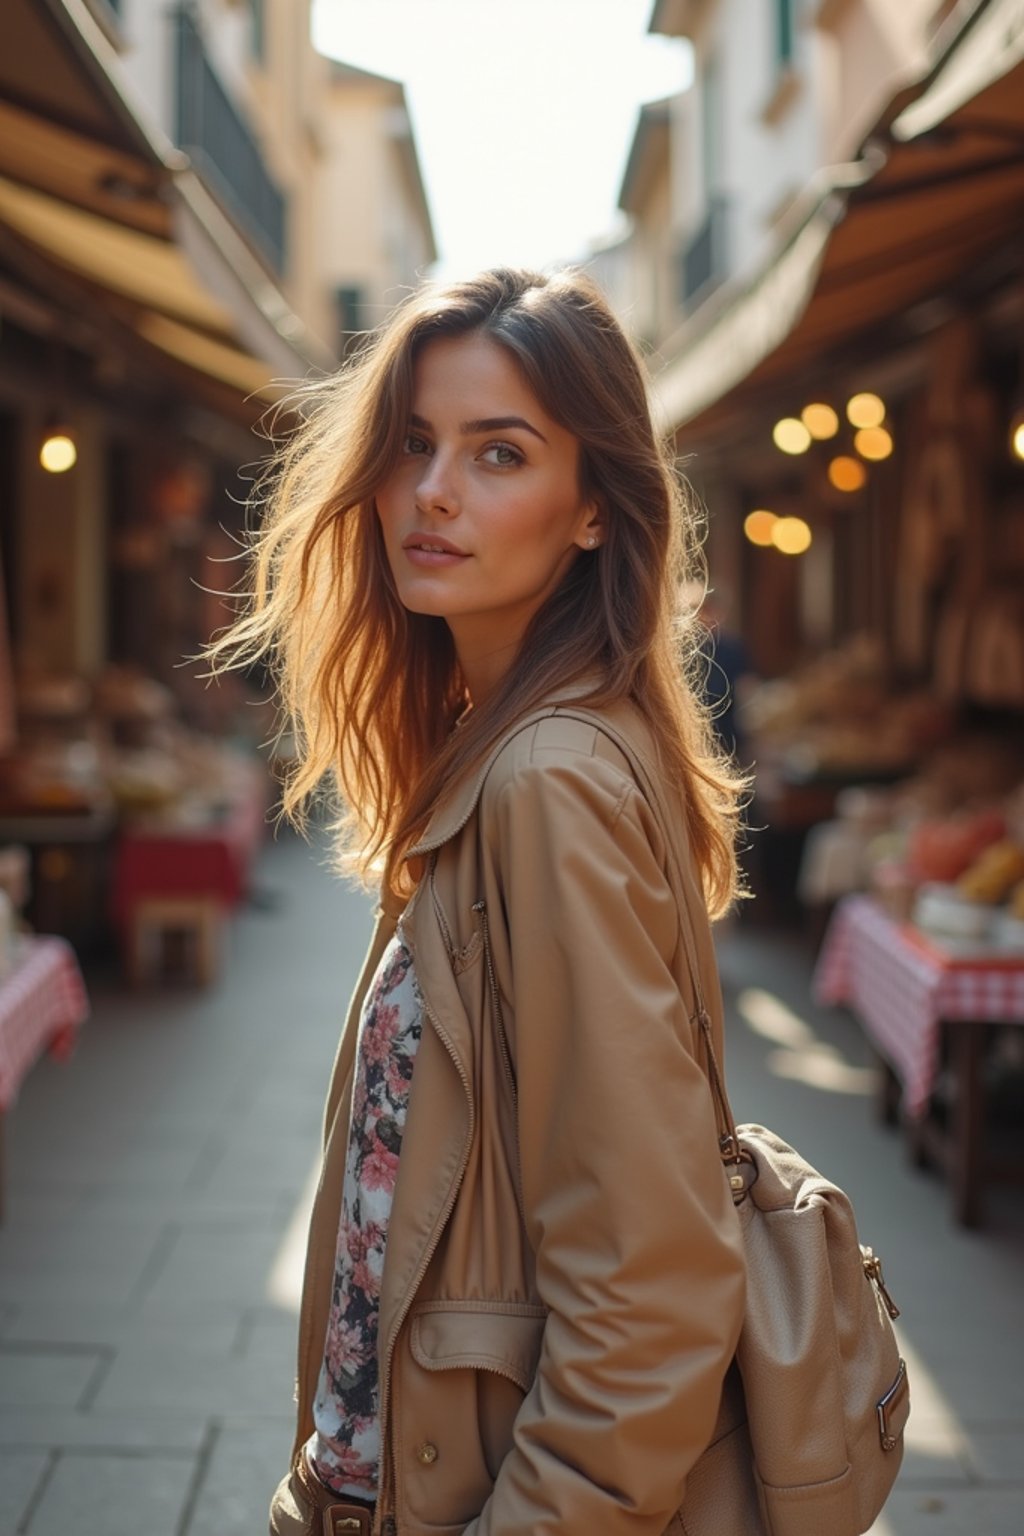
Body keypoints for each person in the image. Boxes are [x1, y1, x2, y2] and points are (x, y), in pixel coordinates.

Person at [209, 268, 752, 1536]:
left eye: (497, 453)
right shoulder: (515, 745)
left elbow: (652, 1283)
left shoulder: (548, 778)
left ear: (592, 512)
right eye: (411, 446)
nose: (431, 493)